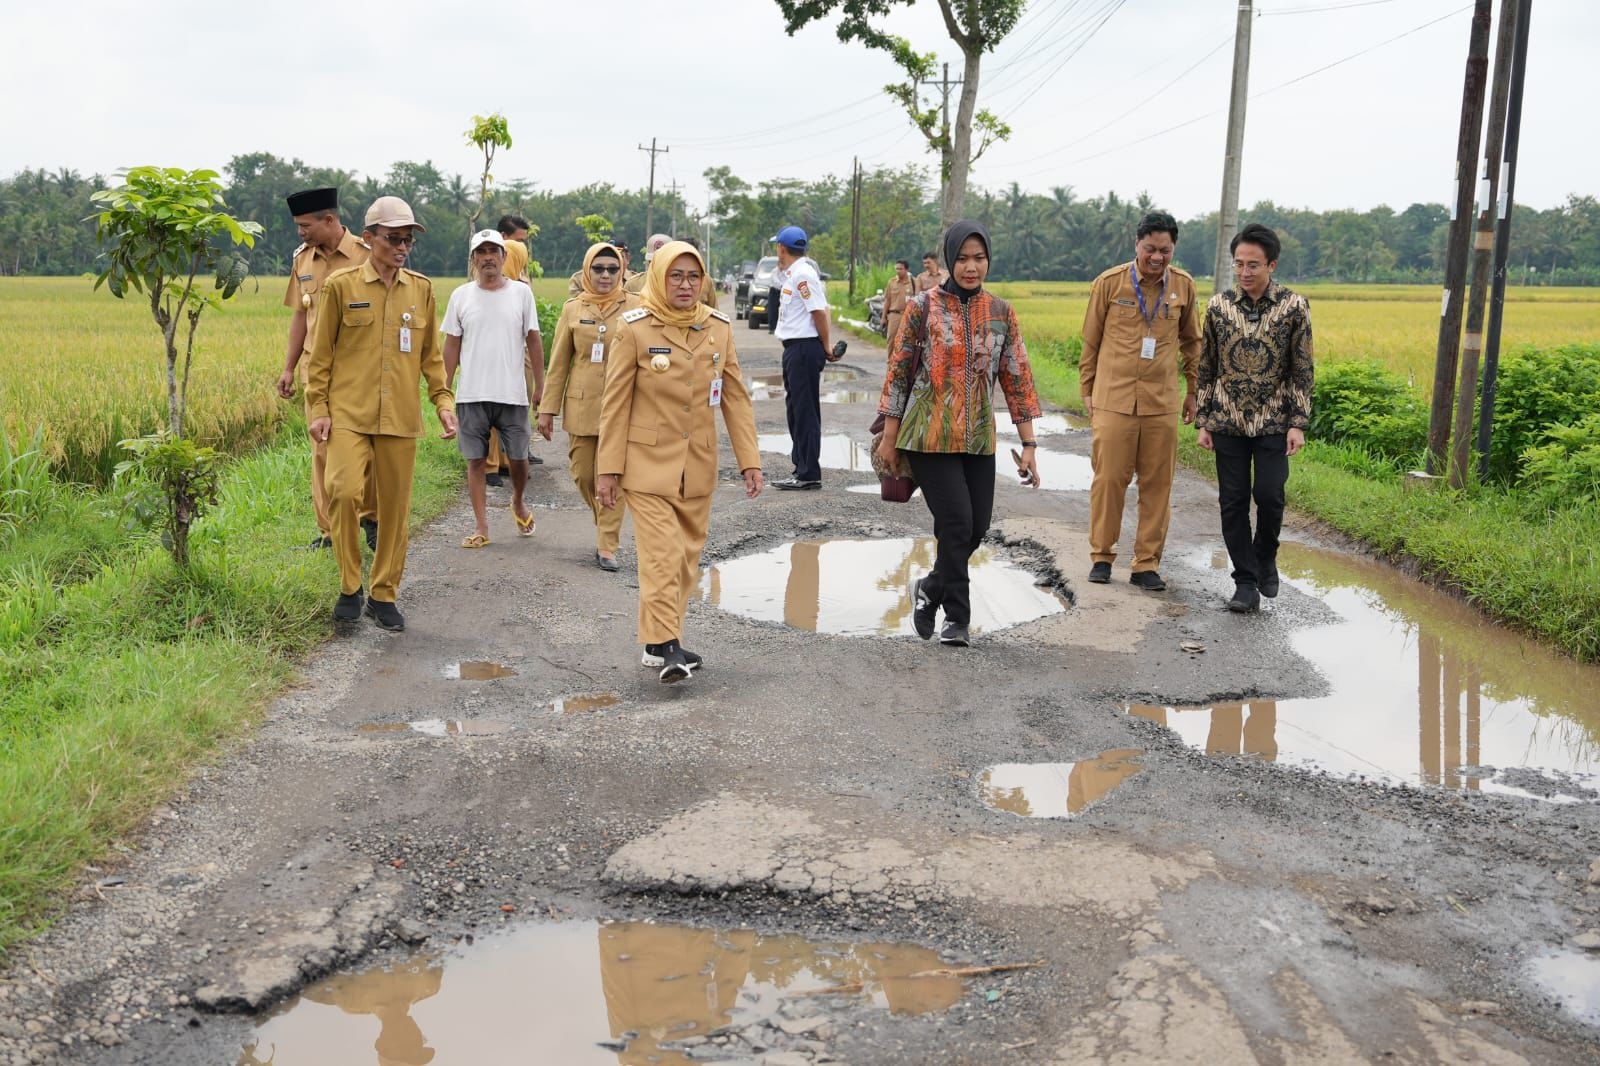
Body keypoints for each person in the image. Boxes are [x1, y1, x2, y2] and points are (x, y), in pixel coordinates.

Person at [596, 241, 762, 682]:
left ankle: (656, 640)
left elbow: (736, 400)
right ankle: (669, 646)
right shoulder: (633, 329)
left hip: (698, 465)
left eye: (693, 277)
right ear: (659, 277)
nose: (685, 285)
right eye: (676, 276)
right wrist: (608, 470)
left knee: (687, 560)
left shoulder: (718, 328)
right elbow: (614, 405)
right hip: (646, 464)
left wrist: (750, 461)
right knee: (662, 556)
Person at [875, 221, 1041, 648]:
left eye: (979, 258)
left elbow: (1016, 378)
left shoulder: (1002, 313)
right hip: (929, 433)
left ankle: (930, 586)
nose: (971, 267)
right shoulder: (922, 307)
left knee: (977, 526)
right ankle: (958, 619)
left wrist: (1029, 445)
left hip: (979, 436)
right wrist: (890, 435)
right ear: (950, 260)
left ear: (988, 260)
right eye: (963, 258)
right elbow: (898, 372)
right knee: (956, 523)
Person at [305, 196, 458, 632]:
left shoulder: (421, 289)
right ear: (369, 238)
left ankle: (383, 593)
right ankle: (350, 585)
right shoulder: (341, 286)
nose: (402, 247)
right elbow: (321, 357)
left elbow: (432, 358)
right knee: (343, 491)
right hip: (348, 414)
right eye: (393, 238)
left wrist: (443, 404)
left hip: (400, 417)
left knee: (394, 509)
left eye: (408, 239)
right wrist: (319, 408)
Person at [1080, 210, 1202, 592]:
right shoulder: (1110, 284)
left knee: (1157, 484)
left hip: (1161, 401)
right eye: (1150, 248)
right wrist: (1088, 391)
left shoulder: (1183, 286)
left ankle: (1146, 564)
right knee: (1109, 479)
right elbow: (1091, 340)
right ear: (1137, 244)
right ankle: (1102, 556)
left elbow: (1193, 343)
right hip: (1113, 399)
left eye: (1164, 250)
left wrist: (1194, 391)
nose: (1157, 257)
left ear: (1173, 249)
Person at [1195, 223, 1313, 612]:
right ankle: (1244, 582)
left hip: (1274, 421)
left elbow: (1302, 368)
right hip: (1227, 420)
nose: (1245, 272)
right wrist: (1204, 419)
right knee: (1232, 501)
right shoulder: (1218, 307)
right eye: (1239, 264)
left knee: (1269, 495)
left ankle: (1265, 557)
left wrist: (1298, 422)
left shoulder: (1294, 307)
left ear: (1271, 265)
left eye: (1253, 265)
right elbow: (1206, 365)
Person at [277, 187, 378, 550]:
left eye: (306, 225)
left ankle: (370, 517)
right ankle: (330, 532)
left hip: (360, 372)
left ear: (330, 220)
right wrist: (288, 368)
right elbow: (300, 316)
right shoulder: (303, 261)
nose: (301, 233)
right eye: (298, 226)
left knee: (367, 449)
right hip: (315, 373)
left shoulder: (367, 257)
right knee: (321, 452)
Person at [539, 242, 639, 571]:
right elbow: (558, 364)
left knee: (613, 477)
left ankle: (607, 543)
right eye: (599, 269)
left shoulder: (637, 307)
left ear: (622, 270)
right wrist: (547, 409)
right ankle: (605, 523)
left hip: (624, 406)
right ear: (586, 271)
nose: (606, 275)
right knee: (583, 474)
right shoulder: (573, 309)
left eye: (613, 269)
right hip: (582, 406)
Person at [442, 229, 543, 549]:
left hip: (512, 393)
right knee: (475, 461)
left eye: (494, 251)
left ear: (503, 258)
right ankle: (482, 526)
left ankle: (517, 500)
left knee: (518, 458)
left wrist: (541, 386)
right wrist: (443, 392)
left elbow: (534, 340)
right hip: (472, 393)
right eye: (481, 252)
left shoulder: (521, 294)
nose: (488, 257)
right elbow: (451, 346)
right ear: (473, 260)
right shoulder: (461, 296)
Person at [771, 226, 837, 491]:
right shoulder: (795, 274)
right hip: (795, 349)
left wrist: (826, 346)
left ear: (781, 248)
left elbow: (819, 312)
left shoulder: (803, 275)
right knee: (796, 411)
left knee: (805, 412)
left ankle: (809, 472)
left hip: (804, 349)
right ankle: (801, 468)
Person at [485, 214, 540, 478]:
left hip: (519, 356)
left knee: (514, 406)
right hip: (495, 357)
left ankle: (509, 459)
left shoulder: (520, 286)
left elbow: (531, 332)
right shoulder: (485, 285)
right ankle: (491, 463)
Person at [882, 259, 914, 344]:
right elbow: (887, 301)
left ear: (907, 270)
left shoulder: (914, 282)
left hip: (909, 315)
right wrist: (883, 317)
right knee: (891, 340)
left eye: (900, 269)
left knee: (907, 341)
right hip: (894, 315)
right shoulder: (891, 282)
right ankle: (890, 357)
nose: (898, 271)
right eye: (897, 269)